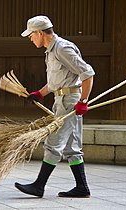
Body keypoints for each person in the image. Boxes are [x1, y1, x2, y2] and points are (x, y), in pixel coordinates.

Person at [15, 15, 95, 198]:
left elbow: (87, 73)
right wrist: (40, 93)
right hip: (62, 98)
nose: (30, 39)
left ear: (41, 33)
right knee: (72, 147)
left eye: (31, 35)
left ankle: (38, 186)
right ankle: (82, 187)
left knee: (53, 143)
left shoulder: (62, 49)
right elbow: (55, 82)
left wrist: (83, 101)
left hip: (70, 101)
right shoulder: (51, 50)